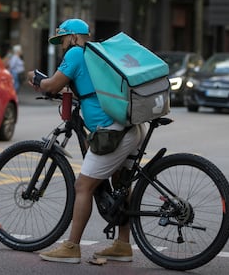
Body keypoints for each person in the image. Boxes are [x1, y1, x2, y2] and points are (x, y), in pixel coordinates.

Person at [27, 18, 146, 264]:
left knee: (83, 187)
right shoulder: (97, 55)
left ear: (72, 37)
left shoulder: (76, 55)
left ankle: (71, 247)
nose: (61, 46)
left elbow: (52, 84)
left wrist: (37, 79)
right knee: (121, 182)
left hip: (111, 133)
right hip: (131, 127)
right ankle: (123, 245)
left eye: (62, 40)